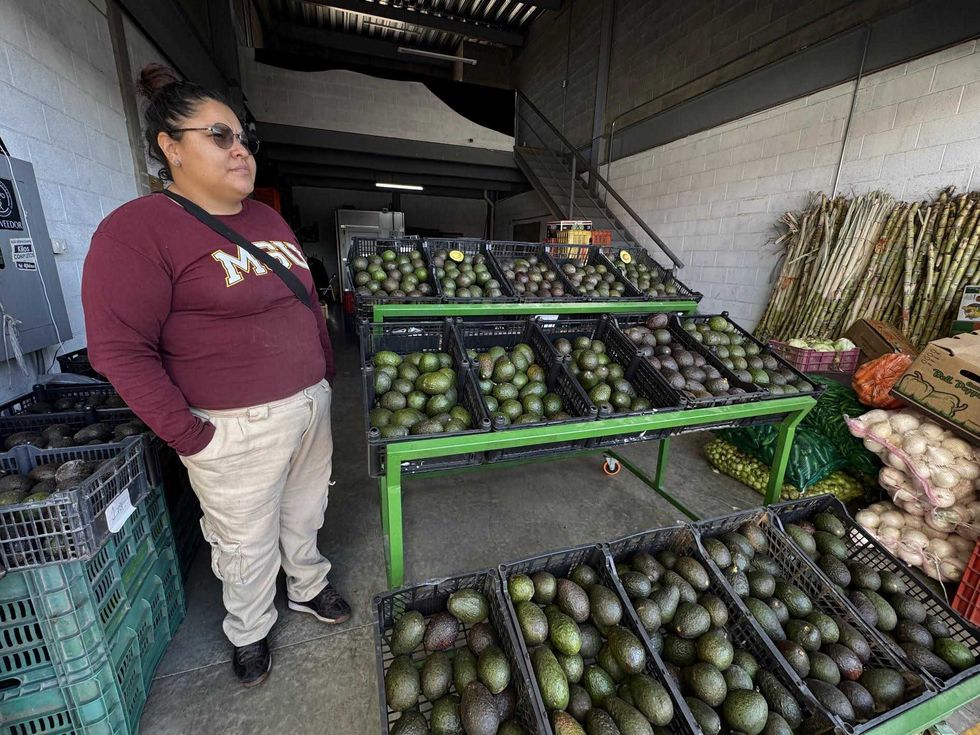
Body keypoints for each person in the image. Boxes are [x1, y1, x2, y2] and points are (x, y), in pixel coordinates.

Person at [82, 64, 350, 687]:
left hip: (308, 405)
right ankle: (251, 629)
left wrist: (323, 375)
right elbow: (120, 350)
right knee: (243, 542)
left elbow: (305, 301)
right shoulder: (136, 231)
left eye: (244, 138)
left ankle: (308, 587)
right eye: (220, 136)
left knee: (306, 511)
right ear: (170, 147)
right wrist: (190, 435)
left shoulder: (267, 220)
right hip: (231, 428)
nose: (240, 150)